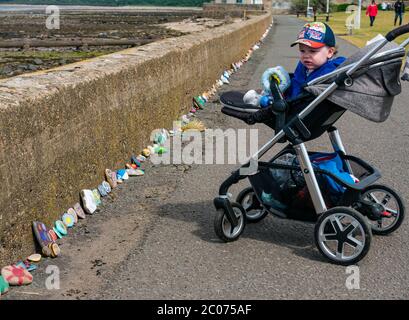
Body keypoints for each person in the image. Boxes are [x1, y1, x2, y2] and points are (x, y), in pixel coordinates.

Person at [262, 22, 346, 101]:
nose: (306, 55)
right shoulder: (304, 65)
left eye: (312, 51)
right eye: (302, 51)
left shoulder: (330, 72)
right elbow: (296, 83)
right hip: (289, 99)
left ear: (330, 52)